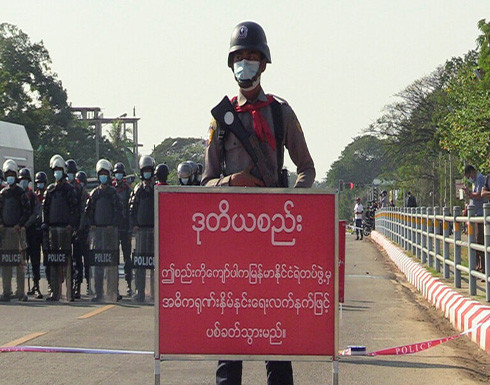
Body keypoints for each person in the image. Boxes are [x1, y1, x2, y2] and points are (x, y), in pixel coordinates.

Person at [202, 20, 315, 385]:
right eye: (240, 57)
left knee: (276, 334)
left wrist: (290, 207)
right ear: (231, 63)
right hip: (230, 242)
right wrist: (231, 182)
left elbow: (306, 168)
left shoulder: (280, 112)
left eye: (252, 57)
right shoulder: (220, 120)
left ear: (264, 63)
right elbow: (206, 183)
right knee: (229, 336)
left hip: (272, 243)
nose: (245, 63)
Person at [85, 159, 122, 302]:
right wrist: (92, 225)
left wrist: (112, 225)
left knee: (112, 265)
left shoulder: (113, 193)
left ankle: (113, 291)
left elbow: (119, 213)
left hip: (110, 234)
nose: (103, 177)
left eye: (105, 174)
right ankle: (98, 293)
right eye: (101, 174)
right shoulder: (95, 194)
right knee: (98, 265)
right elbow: (88, 212)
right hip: (98, 235)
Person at [43, 154, 78, 301]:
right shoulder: (50, 190)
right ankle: (54, 291)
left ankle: (69, 290)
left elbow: (74, 209)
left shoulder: (69, 190)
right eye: (55, 170)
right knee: (53, 261)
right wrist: (45, 224)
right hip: (52, 231)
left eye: (59, 169)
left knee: (66, 260)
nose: (57, 172)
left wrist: (71, 225)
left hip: (65, 230)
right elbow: (45, 209)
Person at [0, 160, 31, 302]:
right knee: (6, 263)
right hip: (6, 233)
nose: (10, 177)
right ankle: (7, 291)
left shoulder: (21, 193)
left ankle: (20, 291)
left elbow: (27, 211)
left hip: (18, 232)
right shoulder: (3, 193)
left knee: (20, 263)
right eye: (8, 174)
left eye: (12, 174)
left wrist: (20, 224)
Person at [129, 155, 156, 302]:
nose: (147, 173)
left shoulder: (156, 190)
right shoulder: (138, 189)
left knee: (153, 264)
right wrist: (134, 225)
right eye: (144, 170)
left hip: (153, 231)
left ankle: (154, 292)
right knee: (140, 263)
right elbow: (132, 208)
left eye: (149, 170)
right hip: (140, 232)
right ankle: (139, 291)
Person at [19, 168, 43, 299]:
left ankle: (36, 286)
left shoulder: (33, 196)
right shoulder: (16, 195)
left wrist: (26, 225)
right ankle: (20, 288)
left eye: (26, 180)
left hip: (31, 231)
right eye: (22, 180)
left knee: (35, 260)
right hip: (19, 232)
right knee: (21, 261)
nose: (24, 182)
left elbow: (36, 213)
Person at [112, 162, 133, 296]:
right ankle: (114, 287)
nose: (118, 176)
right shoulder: (111, 188)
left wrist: (130, 227)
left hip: (125, 227)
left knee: (127, 258)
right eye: (116, 173)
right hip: (113, 228)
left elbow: (131, 209)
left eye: (120, 173)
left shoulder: (128, 190)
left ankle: (130, 285)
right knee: (113, 258)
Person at [65, 159, 84, 299]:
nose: (70, 175)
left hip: (78, 228)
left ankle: (77, 286)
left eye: (72, 173)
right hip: (65, 229)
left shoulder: (80, 189)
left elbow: (83, 210)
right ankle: (69, 286)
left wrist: (80, 228)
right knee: (67, 259)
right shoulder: (63, 188)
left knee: (78, 259)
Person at [466, 165, 487, 273]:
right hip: (476, 213)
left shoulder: (480, 178)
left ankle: (484, 267)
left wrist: (470, 193)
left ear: (472, 172)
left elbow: (479, 195)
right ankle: (479, 265)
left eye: (469, 175)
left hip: (480, 213)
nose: (469, 178)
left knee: (480, 240)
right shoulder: (475, 181)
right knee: (476, 241)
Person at [75, 170, 91, 294]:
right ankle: (77, 285)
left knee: (87, 261)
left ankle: (88, 285)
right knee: (77, 261)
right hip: (76, 232)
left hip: (85, 231)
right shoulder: (73, 195)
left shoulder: (87, 197)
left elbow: (88, 216)